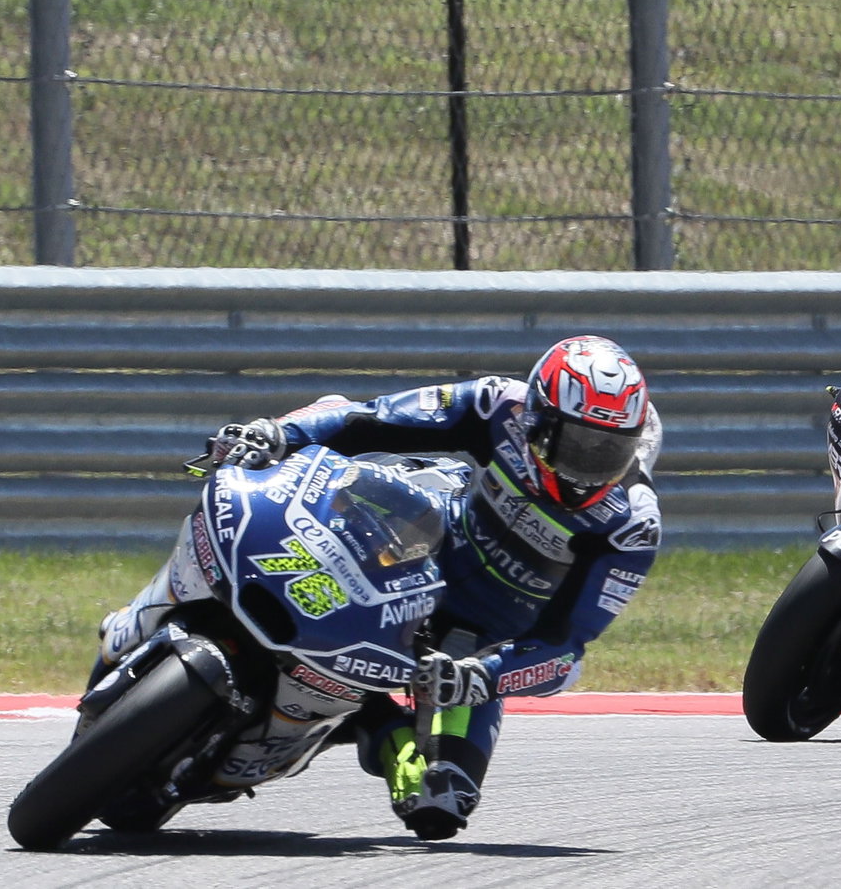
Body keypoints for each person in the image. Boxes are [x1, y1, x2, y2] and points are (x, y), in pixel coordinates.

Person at [104, 335, 662, 841]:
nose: (587, 469)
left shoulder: (632, 524)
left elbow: (565, 650)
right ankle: (180, 601)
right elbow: (366, 419)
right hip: (424, 545)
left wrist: (480, 676)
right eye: (578, 447)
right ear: (538, 419)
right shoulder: (499, 405)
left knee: (440, 805)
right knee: (328, 469)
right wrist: (279, 434)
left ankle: (376, 728)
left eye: (607, 451)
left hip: (481, 633)